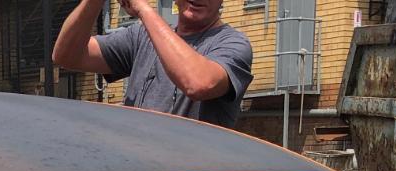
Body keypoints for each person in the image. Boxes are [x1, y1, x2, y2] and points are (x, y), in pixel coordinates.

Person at [53, 0, 252, 129]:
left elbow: (199, 83)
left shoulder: (233, 43)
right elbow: (66, 55)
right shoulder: (141, 36)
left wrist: (144, 10)